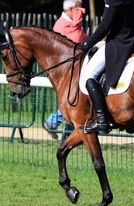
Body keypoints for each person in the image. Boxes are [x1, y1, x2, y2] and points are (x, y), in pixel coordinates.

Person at [80, 0, 134, 134]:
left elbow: (105, 27)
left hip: (119, 43)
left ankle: (101, 120)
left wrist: (87, 44)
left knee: (89, 76)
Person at [45, 0, 87, 139]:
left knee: (75, 102)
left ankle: (66, 134)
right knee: (72, 101)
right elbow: (74, 40)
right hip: (67, 71)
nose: (81, 10)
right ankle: (52, 122)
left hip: (75, 67)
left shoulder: (72, 23)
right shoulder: (61, 25)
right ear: (70, 9)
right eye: (77, 8)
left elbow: (80, 37)